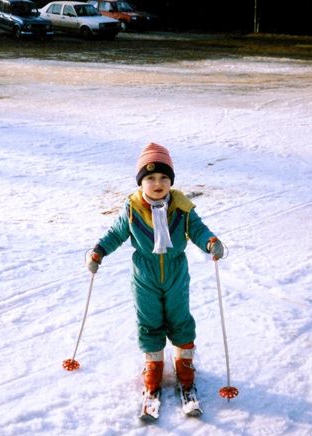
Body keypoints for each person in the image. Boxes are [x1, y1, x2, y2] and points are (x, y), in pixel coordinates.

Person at [86, 142, 224, 396]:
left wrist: (210, 242)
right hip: (144, 274)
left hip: (175, 272)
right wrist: (98, 251)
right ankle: (153, 362)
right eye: (150, 177)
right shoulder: (132, 208)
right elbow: (116, 234)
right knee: (148, 318)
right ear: (141, 182)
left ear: (171, 181)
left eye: (163, 177)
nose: (157, 183)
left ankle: (184, 361)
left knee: (179, 315)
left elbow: (198, 229)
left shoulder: (182, 208)